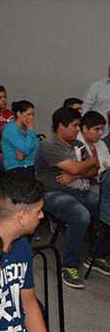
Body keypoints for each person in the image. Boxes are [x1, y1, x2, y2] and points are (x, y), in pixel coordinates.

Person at [0, 175, 88, 332]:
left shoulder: (21, 245)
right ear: (21, 216)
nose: (41, 216)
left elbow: (28, 303)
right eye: (38, 211)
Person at [34, 107, 106, 288]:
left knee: (106, 206)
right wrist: (87, 164)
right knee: (80, 215)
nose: (77, 130)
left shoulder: (76, 145)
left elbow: (94, 170)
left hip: (79, 190)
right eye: (74, 126)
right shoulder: (49, 146)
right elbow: (80, 167)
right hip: (52, 194)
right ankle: (69, 265)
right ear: (61, 126)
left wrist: (77, 174)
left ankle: (97, 255)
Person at [2, 100, 39, 177]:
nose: (31, 118)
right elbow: (26, 149)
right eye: (28, 114)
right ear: (19, 114)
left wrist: (26, 155)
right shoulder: (10, 129)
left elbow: (36, 147)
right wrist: (31, 131)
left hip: (30, 166)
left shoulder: (27, 128)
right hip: (15, 168)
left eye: (33, 115)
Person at [78, 110, 110, 180]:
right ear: (85, 128)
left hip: (101, 183)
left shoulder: (101, 143)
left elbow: (108, 165)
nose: (101, 133)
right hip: (82, 185)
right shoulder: (75, 144)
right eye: (97, 129)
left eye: (102, 129)